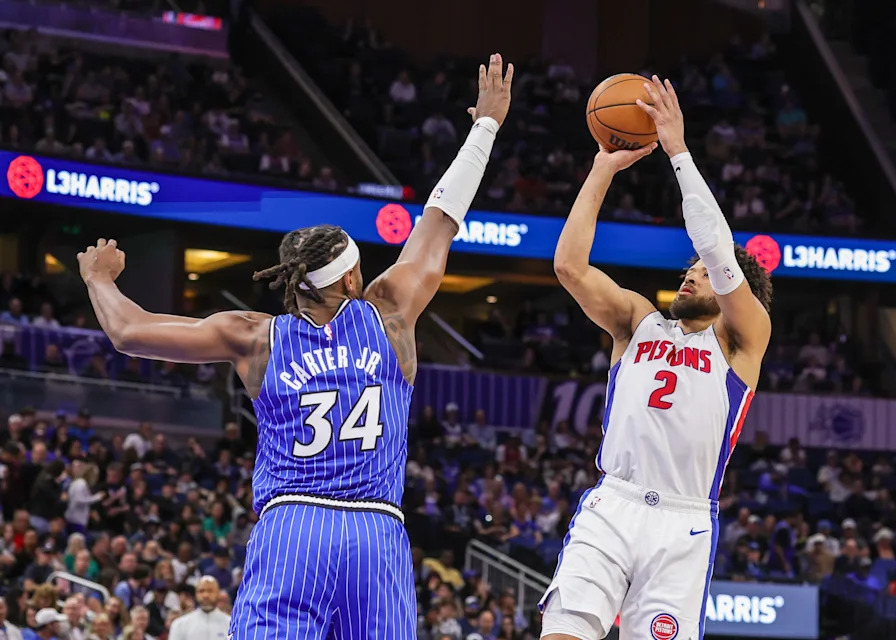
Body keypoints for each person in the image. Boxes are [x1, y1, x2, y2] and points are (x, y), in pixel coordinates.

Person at [77, 53, 514, 639]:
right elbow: (440, 219)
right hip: (375, 535)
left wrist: (98, 279)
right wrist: (485, 125)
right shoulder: (390, 313)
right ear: (354, 279)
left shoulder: (253, 335)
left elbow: (129, 332)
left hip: (293, 529)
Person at [542, 75, 773, 640]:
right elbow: (570, 268)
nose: (690, 274)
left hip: (684, 522)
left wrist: (677, 150)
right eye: (687, 270)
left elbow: (719, 251)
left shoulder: (742, 341)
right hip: (613, 503)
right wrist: (602, 169)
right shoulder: (639, 321)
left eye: (702, 273)